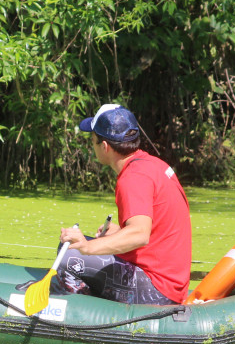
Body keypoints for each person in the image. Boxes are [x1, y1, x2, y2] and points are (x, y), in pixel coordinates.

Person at [52, 103, 192, 305]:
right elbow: (150, 230)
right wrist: (119, 233)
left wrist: (88, 246)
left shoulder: (132, 178)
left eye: (93, 141)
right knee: (75, 249)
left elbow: (139, 234)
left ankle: (81, 314)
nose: (92, 146)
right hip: (171, 282)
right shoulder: (152, 165)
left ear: (105, 147)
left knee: (69, 253)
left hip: (158, 289)